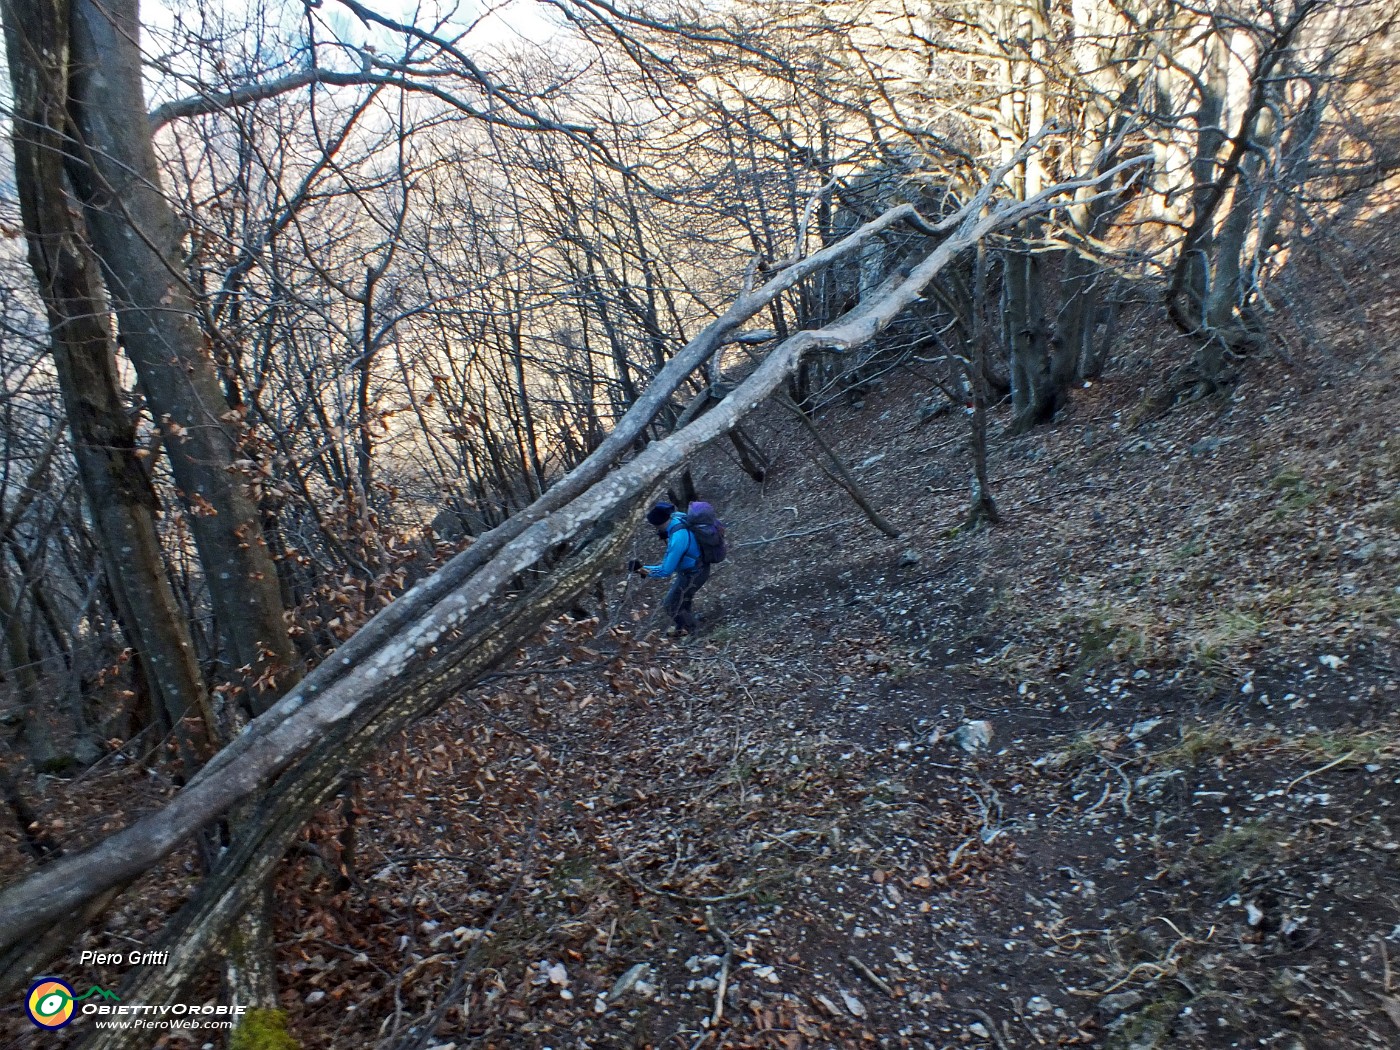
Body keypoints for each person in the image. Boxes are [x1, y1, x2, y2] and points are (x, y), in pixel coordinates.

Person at [633, 501, 710, 635]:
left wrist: (640, 569)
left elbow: (666, 571)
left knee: (670, 604)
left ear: (659, 524)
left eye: (656, 526)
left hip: (694, 573)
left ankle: (694, 633)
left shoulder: (678, 539)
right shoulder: (677, 517)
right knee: (684, 599)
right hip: (698, 567)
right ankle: (684, 627)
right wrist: (666, 533)